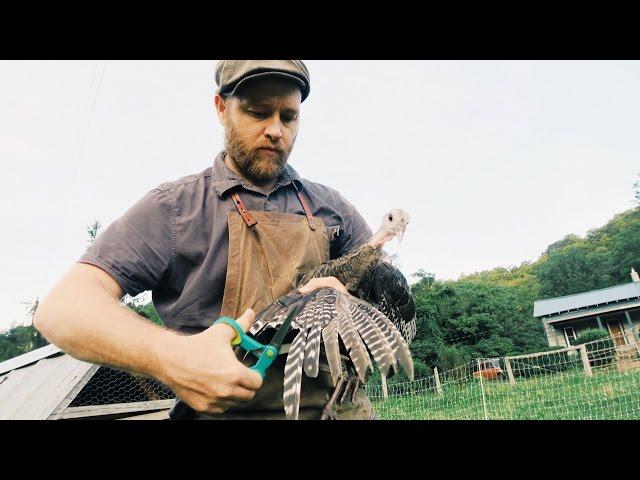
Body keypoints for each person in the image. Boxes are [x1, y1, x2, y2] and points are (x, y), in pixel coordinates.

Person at [34, 60, 374, 419]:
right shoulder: (175, 208)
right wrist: (173, 359)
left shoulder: (333, 208)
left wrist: (349, 300)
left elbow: (394, 314)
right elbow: (62, 309)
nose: (276, 130)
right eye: (258, 112)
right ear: (221, 109)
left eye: (288, 117)